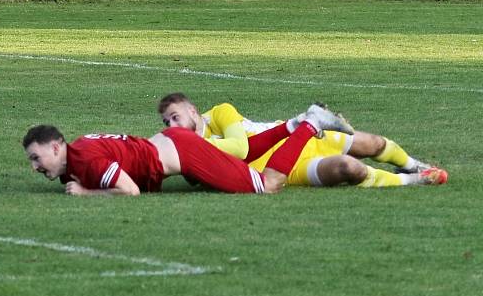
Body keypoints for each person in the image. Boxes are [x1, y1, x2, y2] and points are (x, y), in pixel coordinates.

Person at [23, 104, 354, 196]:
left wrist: (86, 194)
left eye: (37, 158)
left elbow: (130, 190)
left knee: (268, 184)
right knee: (241, 156)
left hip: (183, 153)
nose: (35, 167)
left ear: (56, 146)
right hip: (175, 147)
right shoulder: (76, 153)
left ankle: (312, 122)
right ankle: (294, 124)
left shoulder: (83, 159)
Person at [157, 93, 448, 187]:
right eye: (167, 122)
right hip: (285, 169)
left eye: (175, 117)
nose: (172, 125)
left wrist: (192, 145)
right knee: (349, 168)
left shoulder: (220, 112)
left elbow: (240, 147)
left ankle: (412, 165)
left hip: (303, 136)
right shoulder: (183, 148)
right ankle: (414, 180)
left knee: (373, 143)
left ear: (193, 110)